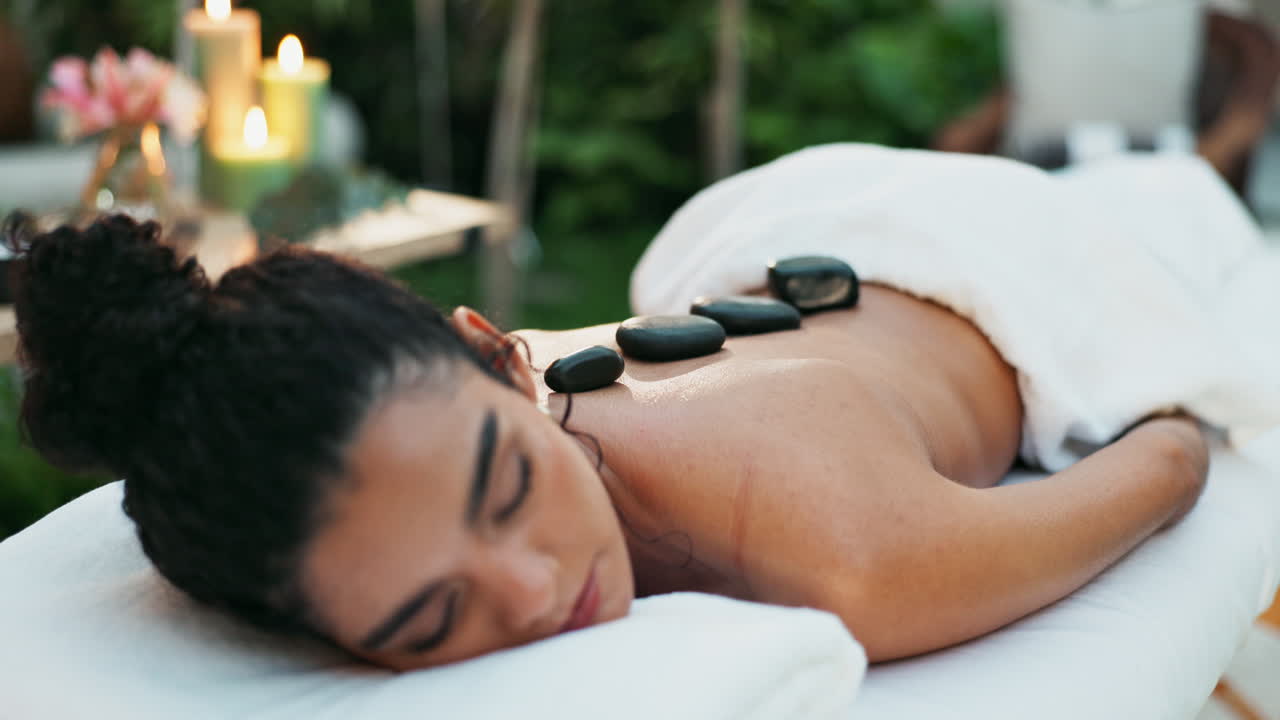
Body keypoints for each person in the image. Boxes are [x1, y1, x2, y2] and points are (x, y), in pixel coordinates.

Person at [3, 160, 1216, 672]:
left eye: (508, 483)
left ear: (497, 357)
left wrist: (1183, 414)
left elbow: (1163, 464)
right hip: (779, 284)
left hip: (972, 256)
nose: (532, 592)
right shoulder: (457, 408)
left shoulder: (844, 550)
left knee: (1177, 199)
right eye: (434, 620)